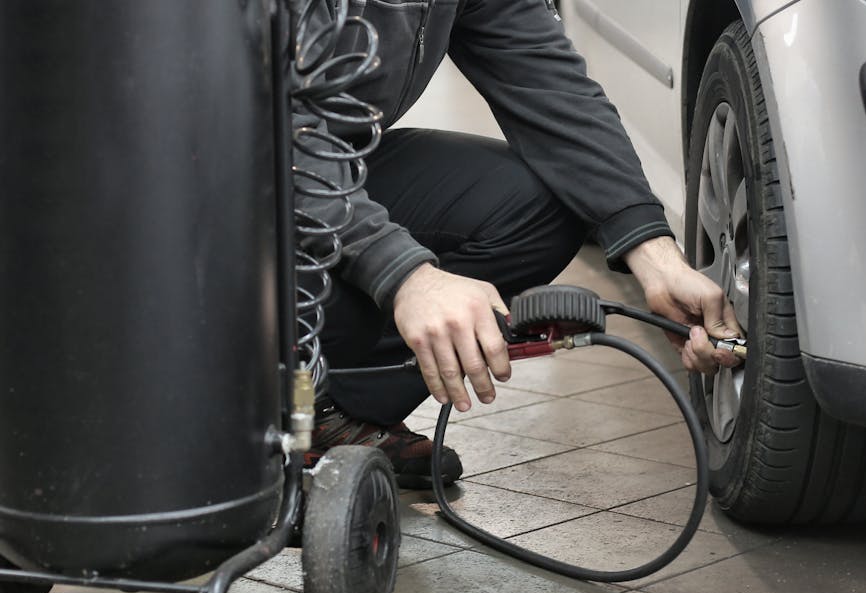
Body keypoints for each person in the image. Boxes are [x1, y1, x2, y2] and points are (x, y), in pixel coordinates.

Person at [297, 0, 743, 488]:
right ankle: (240, 396)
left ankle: (327, 408)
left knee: (540, 206)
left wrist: (654, 253)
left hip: (330, 166)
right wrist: (405, 276)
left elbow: (551, 89)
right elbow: (256, 131)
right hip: (226, 194)